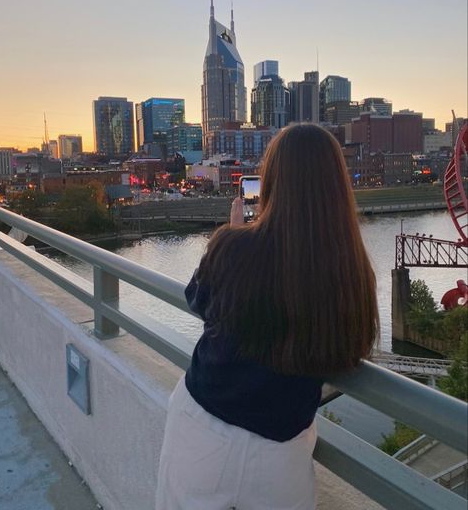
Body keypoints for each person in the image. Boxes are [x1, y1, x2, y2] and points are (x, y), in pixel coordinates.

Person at [156, 123, 379, 510]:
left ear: (271, 182)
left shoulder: (235, 247)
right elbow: (350, 351)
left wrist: (233, 233)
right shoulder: (352, 273)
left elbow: (197, 299)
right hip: (284, 446)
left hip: (204, 425)